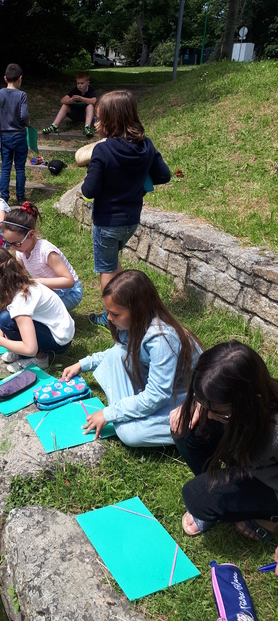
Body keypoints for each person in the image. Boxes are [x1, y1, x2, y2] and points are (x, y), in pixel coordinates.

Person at [61, 270, 201, 447]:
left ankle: (196, 427)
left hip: (186, 398)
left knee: (131, 434)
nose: (109, 319)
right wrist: (83, 364)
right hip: (167, 390)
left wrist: (109, 413)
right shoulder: (135, 325)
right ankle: (126, 411)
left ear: (137, 310)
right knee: (117, 355)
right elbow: (116, 352)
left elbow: (157, 395)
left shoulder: (162, 340)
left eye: (115, 314)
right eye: (107, 312)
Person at [170, 340, 278, 543]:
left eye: (219, 412)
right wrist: (201, 403)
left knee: (196, 497)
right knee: (184, 424)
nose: (210, 416)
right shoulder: (236, 404)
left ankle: (270, 516)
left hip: (269, 483)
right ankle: (220, 495)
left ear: (250, 401)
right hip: (247, 459)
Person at [82, 90, 171, 328]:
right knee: (113, 262)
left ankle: (111, 316)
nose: (96, 123)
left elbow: (89, 190)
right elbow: (164, 175)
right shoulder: (146, 146)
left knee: (106, 270)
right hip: (131, 220)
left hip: (107, 222)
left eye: (99, 118)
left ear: (111, 120)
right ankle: (125, 303)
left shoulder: (103, 150)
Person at [0, 246, 75, 373]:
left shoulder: (20, 301)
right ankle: (17, 349)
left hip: (59, 341)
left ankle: (40, 359)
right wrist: (0, 333)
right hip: (46, 326)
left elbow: (30, 348)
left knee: (6, 320)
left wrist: (3, 342)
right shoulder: (8, 285)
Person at [1, 202, 83, 312]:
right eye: (9, 243)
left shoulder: (46, 251)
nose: (13, 247)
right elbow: (19, 276)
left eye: (16, 243)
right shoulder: (21, 250)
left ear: (30, 234)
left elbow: (69, 281)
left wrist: (38, 281)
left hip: (70, 292)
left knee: (31, 311)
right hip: (48, 289)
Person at [0, 63, 29, 205]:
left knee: (5, 167)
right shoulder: (22, 95)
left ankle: (4, 196)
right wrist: (27, 124)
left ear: (5, 78)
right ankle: (21, 197)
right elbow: (24, 116)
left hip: (5, 136)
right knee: (20, 167)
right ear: (20, 78)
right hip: (20, 136)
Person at [42, 72, 97, 138]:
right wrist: (69, 101)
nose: (79, 85)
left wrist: (81, 98)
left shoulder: (91, 91)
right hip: (74, 113)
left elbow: (94, 101)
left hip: (85, 115)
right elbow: (62, 100)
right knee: (65, 105)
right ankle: (54, 125)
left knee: (90, 106)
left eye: (82, 83)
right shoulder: (75, 90)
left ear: (87, 83)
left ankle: (87, 127)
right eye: (78, 83)